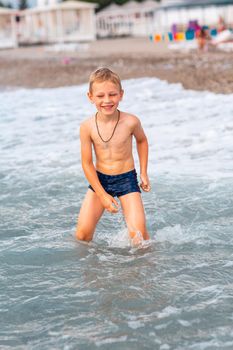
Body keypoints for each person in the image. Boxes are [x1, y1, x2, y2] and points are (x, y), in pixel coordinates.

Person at [75, 67, 150, 245]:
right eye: (100, 96)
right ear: (90, 97)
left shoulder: (131, 121)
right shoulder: (87, 127)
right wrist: (101, 195)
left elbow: (142, 141)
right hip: (100, 181)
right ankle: (91, 269)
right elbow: (86, 163)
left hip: (127, 180)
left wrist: (144, 172)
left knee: (139, 239)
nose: (107, 100)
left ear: (121, 94)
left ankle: (144, 269)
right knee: (82, 236)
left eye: (112, 94)